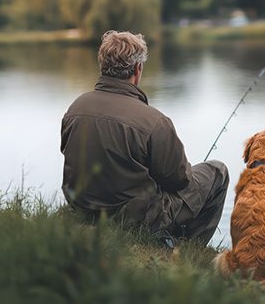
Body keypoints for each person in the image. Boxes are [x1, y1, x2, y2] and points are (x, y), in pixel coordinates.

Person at [60, 30, 229, 245]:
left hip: (83, 209)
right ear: (137, 69)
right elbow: (179, 179)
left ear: (103, 65)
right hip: (135, 219)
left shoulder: (75, 108)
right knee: (217, 171)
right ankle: (185, 248)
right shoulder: (154, 121)